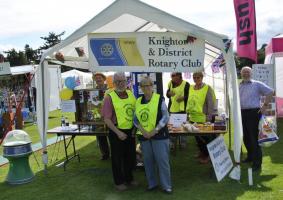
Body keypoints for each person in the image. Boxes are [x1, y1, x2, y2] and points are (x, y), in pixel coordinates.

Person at [134, 76, 172, 194]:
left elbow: (166, 117)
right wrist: (144, 132)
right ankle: (152, 184)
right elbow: (135, 120)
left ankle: (166, 186)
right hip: (144, 136)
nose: (146, 88)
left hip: (159, 135)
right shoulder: (138, 101)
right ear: (141, 88)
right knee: (148, 161)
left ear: (152, 86)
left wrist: (154, 131)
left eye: (149, 85)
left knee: (162, 161)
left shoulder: (159, 99)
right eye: (144, 85)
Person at [101, 72, 137, 191]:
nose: (121, 83)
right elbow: (106, 118)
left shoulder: (131, 94)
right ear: (114, 83)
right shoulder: (109, 97)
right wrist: (118, 132)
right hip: (117, 131)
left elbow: (135, 112)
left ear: (126, 81)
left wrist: (134, 129)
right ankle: (119, 182)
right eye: (118, 81)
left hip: (130, 131)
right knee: (117, 158)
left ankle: (129, 179)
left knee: (130, 156)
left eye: (123, 81)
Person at [239, 66, 274, 171]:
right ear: (241, 74)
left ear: (251, 73)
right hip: (242, 113)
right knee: (246, 138)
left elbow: (271, 91)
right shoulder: (240, 85)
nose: (246, 74)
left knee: (254, 138)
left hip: (253, 113)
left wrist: (265, 105)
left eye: (248, 72)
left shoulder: (256, 84)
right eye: (244, 72)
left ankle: (257, 164)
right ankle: (250, 157)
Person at [186, 71, 216, 164]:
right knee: (197, 138)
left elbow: (210, 103)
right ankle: (202, 152)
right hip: (193, 117)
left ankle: (208, 156)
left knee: (206, 138)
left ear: (202, 78)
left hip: (203, 118)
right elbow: (189, 101)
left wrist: (209, 117)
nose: (196, 79)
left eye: (198, 77)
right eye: (194, 77)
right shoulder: (191, 87)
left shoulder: (207, 88)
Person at [166, 72, 190, 149]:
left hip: (182, 109)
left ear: (180, 75)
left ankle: (183, 143)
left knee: (183, 127)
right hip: (172, 109)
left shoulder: (186, 84)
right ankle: (172, 144)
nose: (174, 77)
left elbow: (190, 95)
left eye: (176, 75)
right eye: (172, 76)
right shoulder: (170, 83)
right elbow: (167, 94)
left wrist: (184, 98)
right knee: (172, 127)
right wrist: (169, 93)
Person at [93, 72, 110, 160]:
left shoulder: (109, 88)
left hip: (109, 114)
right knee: (100, 136)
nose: (98, 79)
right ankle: (105, 154)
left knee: (111, 134)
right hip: (99, 115)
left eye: (100, 78)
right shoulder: (93, 90)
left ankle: (114, 153)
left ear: (104, 79)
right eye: (96, 78)